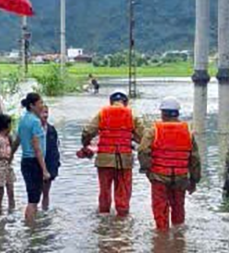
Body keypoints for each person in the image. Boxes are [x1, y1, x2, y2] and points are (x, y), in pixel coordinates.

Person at [138, 97, 201, 231]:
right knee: (178, 208)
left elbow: (143, 150)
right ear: (177, 113)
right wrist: (194, 180)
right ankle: (179, 239)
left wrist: (147, 169)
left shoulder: (154, 130)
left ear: (162, 113)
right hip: (180, 177)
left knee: (160, 209)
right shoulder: (188, 132)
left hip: (159, 177)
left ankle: (162, 238)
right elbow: (194, 158)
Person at [80, 90, 145, 217]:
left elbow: (87, 131)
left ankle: (103, 219)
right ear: (125, 103)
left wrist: (85, 144)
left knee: (104, 192)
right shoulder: (132, 114)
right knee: (123, 193)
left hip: (104, 159)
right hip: (124, 160)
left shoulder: (102, 113)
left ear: (111, 102)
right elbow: (143, 137)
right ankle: (122, 222)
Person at [17, 92, 50, 224]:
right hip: (34, 162)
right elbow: (37, 148)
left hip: (25, 162)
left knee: (33, 197)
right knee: (34, 200)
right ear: (32, 105)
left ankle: (31, 226)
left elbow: (18, 139)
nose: (42, 106)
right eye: (40, 103)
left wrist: (11, 155)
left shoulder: (23, 119)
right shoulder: (35, 122)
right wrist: (44, 170)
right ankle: (31, 228)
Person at [0, 114, 16, 212]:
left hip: (8, 167)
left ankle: (11, 210)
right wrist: (4, 157)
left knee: (11, 190)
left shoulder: (7, 138)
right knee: (0, 192)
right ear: (6, 125)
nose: (11, 127)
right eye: (10, 124)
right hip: (0, 168)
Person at [40, 104, 61, 210]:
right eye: (43, 112)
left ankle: (45, 210)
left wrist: (56, 164)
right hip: (36, 164)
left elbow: (55, 148)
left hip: (49, 163)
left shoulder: (52, 129)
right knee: (35, 192)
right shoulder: (34, 129)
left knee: (46, 192)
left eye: (46, 112)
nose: (45, 115)